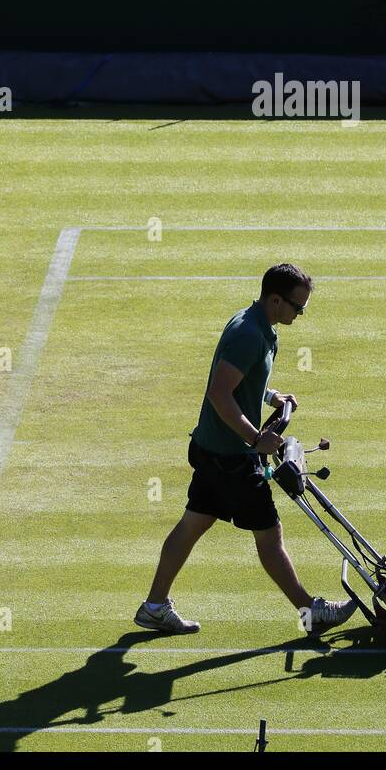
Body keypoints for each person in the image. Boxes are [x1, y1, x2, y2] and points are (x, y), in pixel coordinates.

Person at [135, 263, 356, 635]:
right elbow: (219, 393)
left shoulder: (259, 326)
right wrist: (255, 438)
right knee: (270, 536)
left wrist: (270, 396)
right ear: (275, 299)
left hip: (213, 450)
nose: (300, 314)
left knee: (192, 523)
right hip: (230, 457)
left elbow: (241, 380)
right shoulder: (248, 334)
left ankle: (154, 606)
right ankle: (310, 613)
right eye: (297, 307)